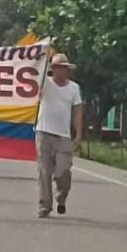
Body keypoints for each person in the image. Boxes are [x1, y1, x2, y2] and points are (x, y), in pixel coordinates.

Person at [35, 53, 83, 218]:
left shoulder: (74, 88)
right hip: (44, 132)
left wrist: (78, 133)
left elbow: (77, 111)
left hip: (63, 135)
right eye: (58, 68)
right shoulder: (45, 83)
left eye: (65, 68)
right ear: (53, 69)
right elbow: (33, 74)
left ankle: (61, 197)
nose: (62, 71)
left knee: (63, 172)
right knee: (44, 171)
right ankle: (44, 205)